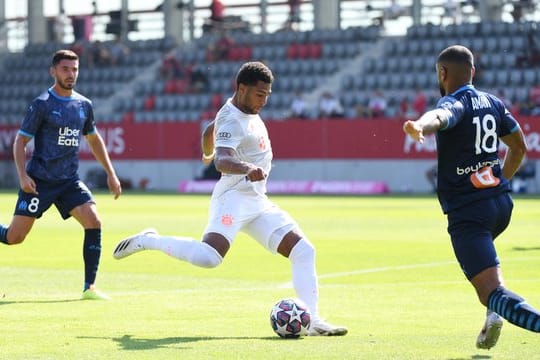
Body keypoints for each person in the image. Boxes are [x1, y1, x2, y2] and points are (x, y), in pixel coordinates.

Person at [113, 61, 347, 336]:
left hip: (257, 201)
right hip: (233, 199)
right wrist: (243, 166)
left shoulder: (238, 111)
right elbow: (223, 161)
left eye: (268, 95)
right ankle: (148, 240)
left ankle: (314, 320)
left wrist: (206, 151)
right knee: (209, 257)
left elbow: (207, 132)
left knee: (304, 250)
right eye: (260, 94)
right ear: (242, 88)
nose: (264, 100)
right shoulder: (232, 118)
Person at [403, 45, 540, 350]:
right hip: (501, 207)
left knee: (489, 290)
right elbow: (518, 148)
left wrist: (419, 126)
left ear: (443, 73)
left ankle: (498, 307)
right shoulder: (493, 102)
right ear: (473, 72)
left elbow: (440, 115)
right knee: (487, 262)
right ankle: (493, 316)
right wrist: (501, 181)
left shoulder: (454, 102)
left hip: (469, 212)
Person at [0, 50, 122, 300]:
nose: (71, 74)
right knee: (15, 237)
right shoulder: (42, 104)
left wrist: (111, 173)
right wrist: (23, 177)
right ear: (53, 71)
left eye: (74, 69)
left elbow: (94, 138)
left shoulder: (84, 104)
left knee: (94, 221)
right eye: (65, 69)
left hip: (68, 181)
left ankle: (90, 288)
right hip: (39, 181)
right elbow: (20, 142)